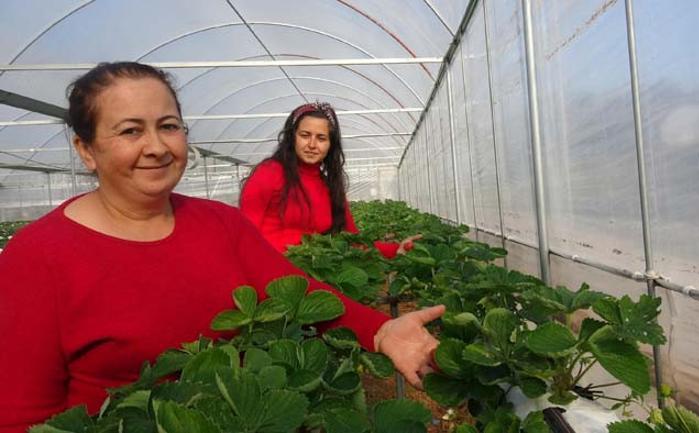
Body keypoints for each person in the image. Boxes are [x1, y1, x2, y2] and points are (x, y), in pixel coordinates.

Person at [0, 62, 443, 433]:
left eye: (168, 126)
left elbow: (296, 289)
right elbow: (21, 417)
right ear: (86, 149)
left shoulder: (219, 223)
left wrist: (379, 329)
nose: (156, 147)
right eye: (130, 131)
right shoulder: (36, 256)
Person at [239, 102, 420, 258]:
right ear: (292, 137)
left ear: (330, 145)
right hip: (270, 275)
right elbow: (243, 236)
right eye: (305, 135)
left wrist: (395, 249)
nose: (312, 144)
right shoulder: (270, 173)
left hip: (315, 274)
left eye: (321, 138)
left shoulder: (329, 186)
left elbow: (351, 239)